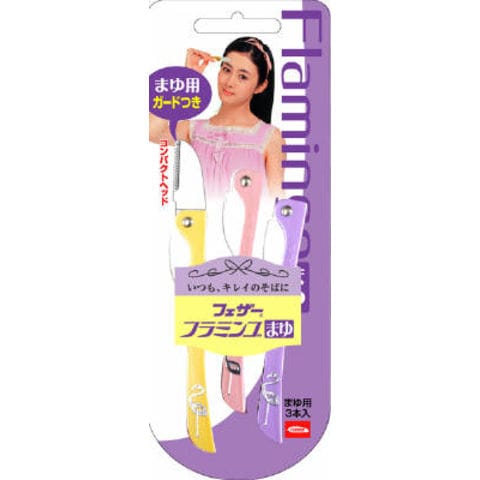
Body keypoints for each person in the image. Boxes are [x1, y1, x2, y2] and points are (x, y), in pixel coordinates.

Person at [149, 37, 284, 199]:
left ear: (261, 86)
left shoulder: (270, 138)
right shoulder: (194, 131)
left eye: (242, 76)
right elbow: (150, 131)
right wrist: (187, 78)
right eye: (226, 70)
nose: (229, 82)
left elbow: (278, 201)